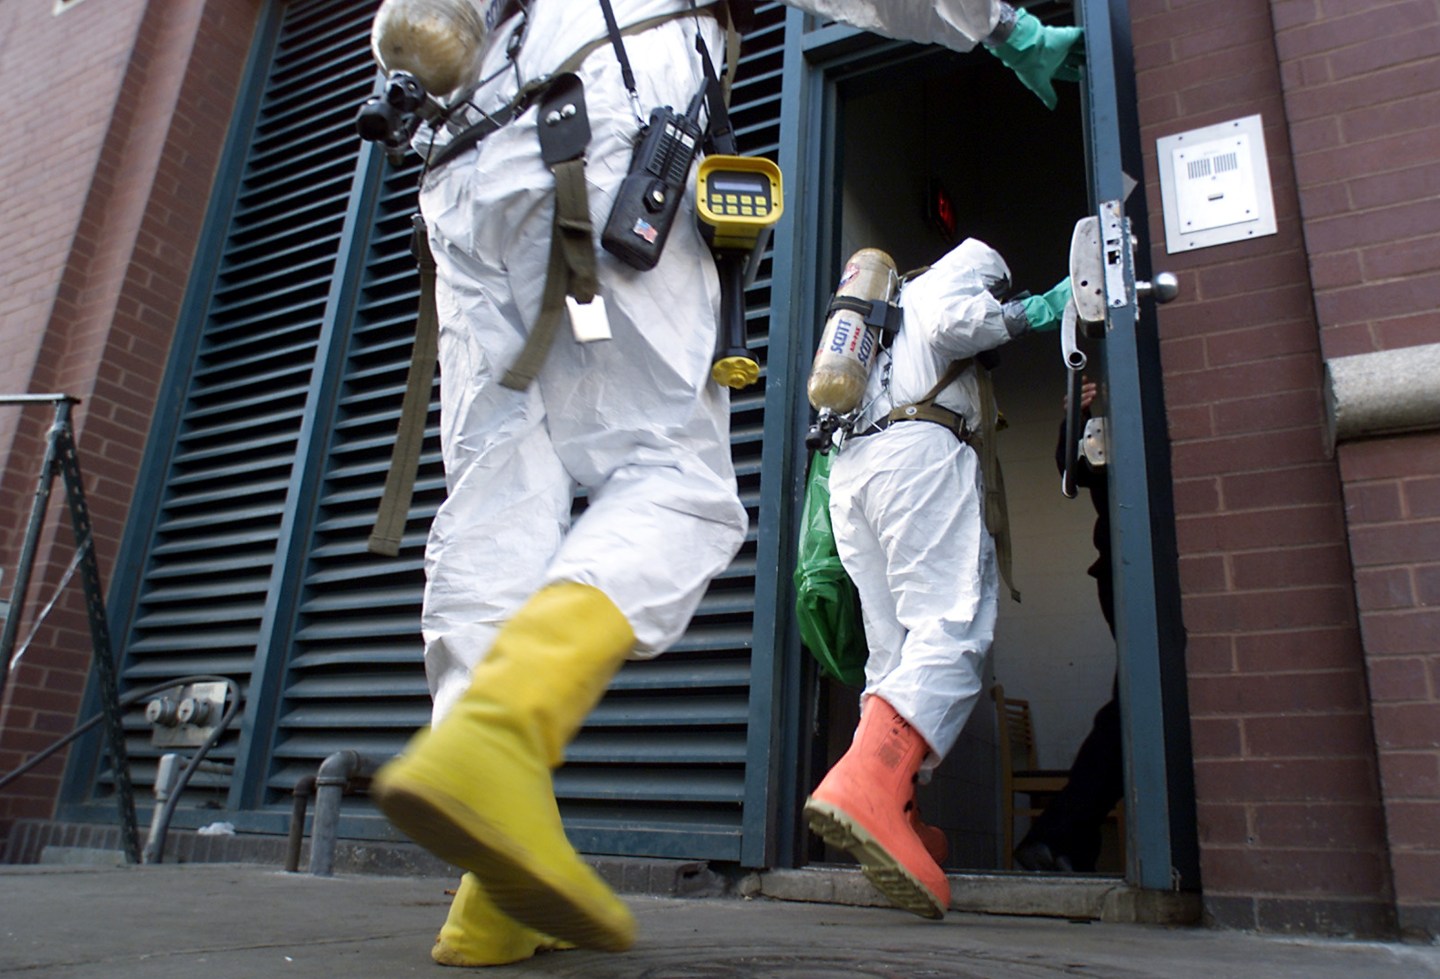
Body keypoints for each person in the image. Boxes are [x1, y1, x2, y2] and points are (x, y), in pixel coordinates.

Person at [363, 0, 1085, 967]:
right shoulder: (954, 294)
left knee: (495, 499)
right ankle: (498, 734)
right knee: (676, 477)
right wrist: (1002, 26)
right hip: (601, 128)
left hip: (463, 180)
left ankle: (491, 885)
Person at [806, 239, 1072, 918]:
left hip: (854, 477)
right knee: (953, 623)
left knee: (893, 649)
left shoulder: (876, 324)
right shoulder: (954, 277)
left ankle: (897, 807)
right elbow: (966, 322)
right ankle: (869, 781)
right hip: (916, 457)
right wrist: (1038, 308)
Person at [1013, 378, 1124, 874]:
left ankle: (1064, 840)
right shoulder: (1110, 421)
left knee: (1131, 713)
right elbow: (1073, 470)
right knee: (1134, 712)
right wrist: (1075, 420)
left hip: (1124, 573)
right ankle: (1061, 839)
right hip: (1126, 574)